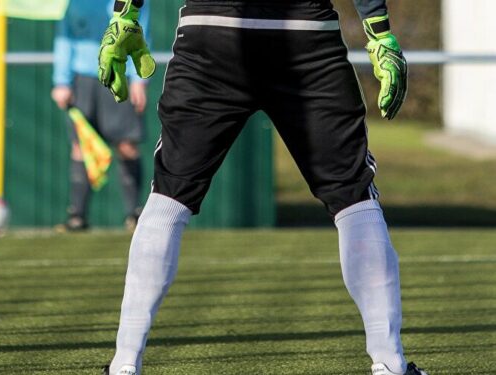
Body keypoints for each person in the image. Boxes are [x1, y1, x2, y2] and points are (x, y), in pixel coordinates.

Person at [97, 0, 428, 374]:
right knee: (353, 198)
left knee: (168, 196)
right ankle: (390, 364)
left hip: (211, 32)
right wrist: (379, 31)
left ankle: (125, 364)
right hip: (303, 36)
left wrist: (125, 13)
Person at [52, 0, 151, 232]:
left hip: (119, 74)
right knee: (81, 146)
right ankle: (77, 215)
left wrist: (139, 80)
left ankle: (135, 215)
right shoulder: (71, 3)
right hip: (82, 79)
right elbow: (64, 37)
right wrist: (61, 81)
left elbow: (140, 33)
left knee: (127, 144)